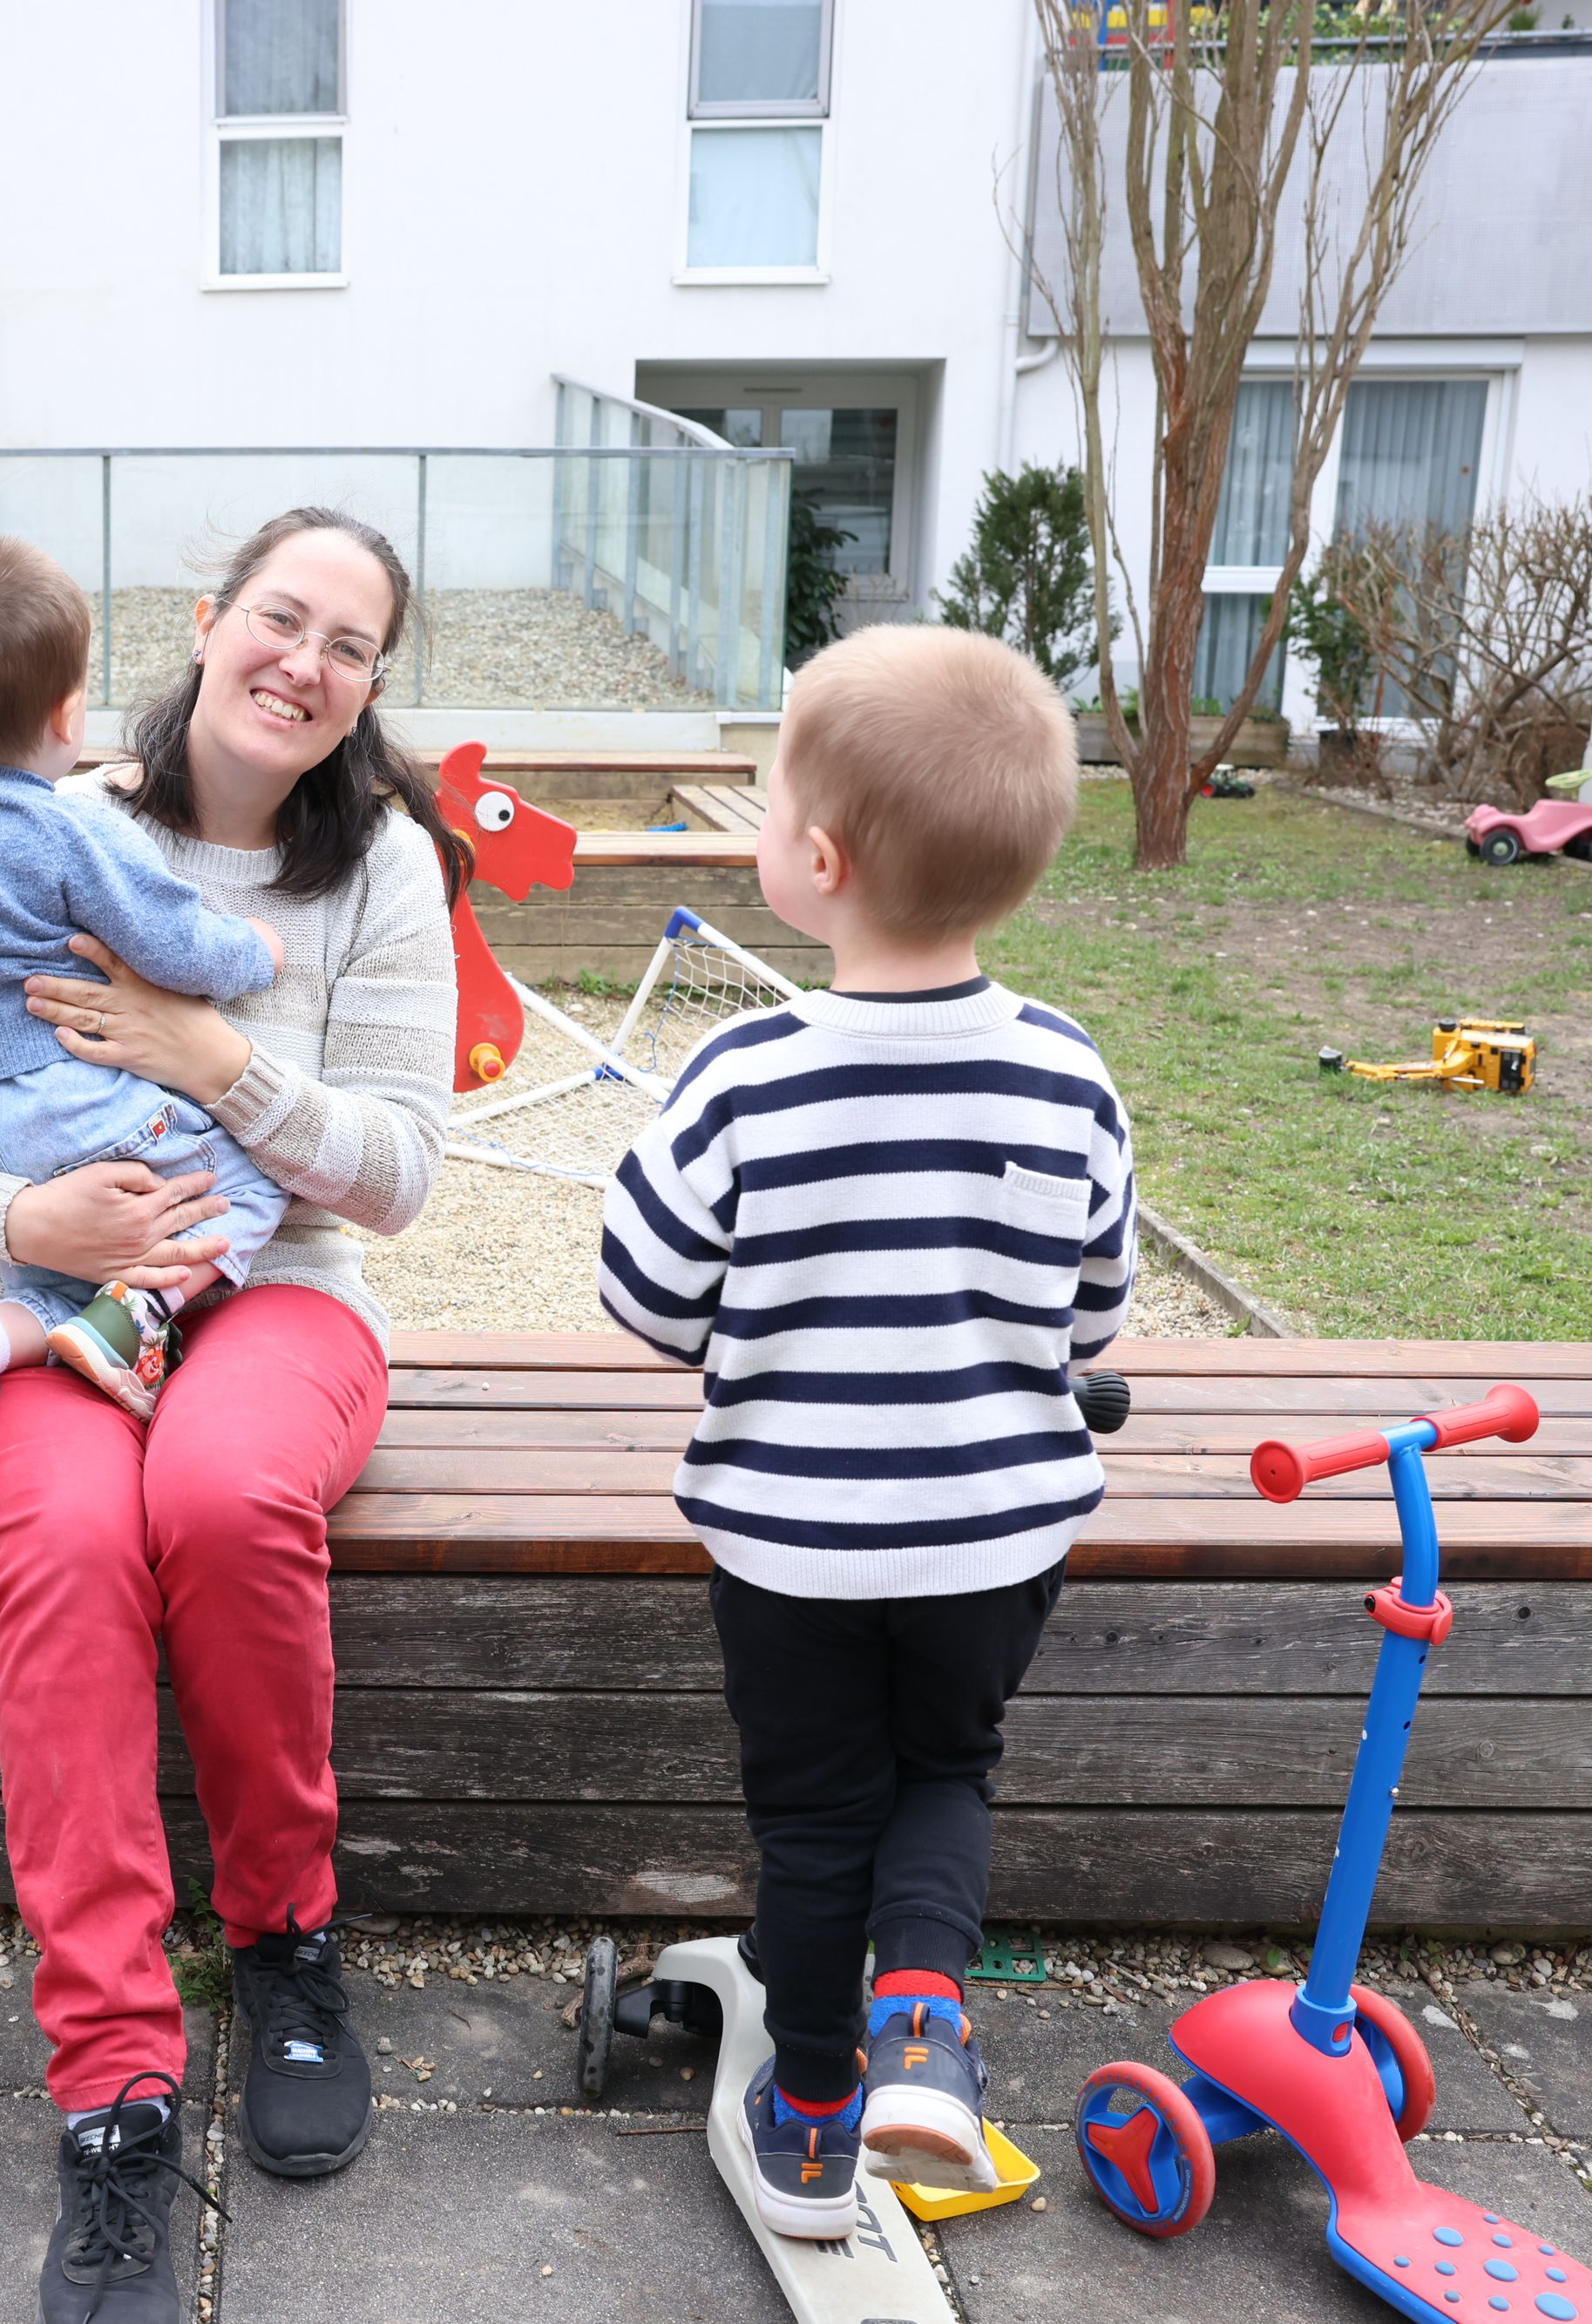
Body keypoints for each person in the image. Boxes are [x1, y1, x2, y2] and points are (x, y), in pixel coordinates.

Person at [0, 508, 462, 2324]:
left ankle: (285, 1940)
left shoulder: (383, 871)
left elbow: (402, 1172)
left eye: (349, 643)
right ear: (206, 622)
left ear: (370, 686)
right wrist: (23, 1214)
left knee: (225, 1495)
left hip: (280, 1287)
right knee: (78, 1532)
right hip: (34, 1284)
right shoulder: (48, 819)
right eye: (281, 616)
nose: (304, 662)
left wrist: (217, 1062)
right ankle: (113, 2087)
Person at [597, 624, 1134, 2240]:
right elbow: (1092, 1316)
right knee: (945, 1771)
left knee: (821, 1815)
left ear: (817, 861)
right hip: (994, 1540)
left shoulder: (745, 1076)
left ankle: (818, 2106)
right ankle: (923, 2027)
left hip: (795, 1546)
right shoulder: (1064, 1075)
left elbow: (645, 1296)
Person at [0, 535, 294, 1503]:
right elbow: (171, 941)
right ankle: (139, 1317)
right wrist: (256, 950)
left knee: (58, 1270)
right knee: (249, 1178)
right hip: (73, 1096)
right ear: (65, 711)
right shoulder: (65, 823)